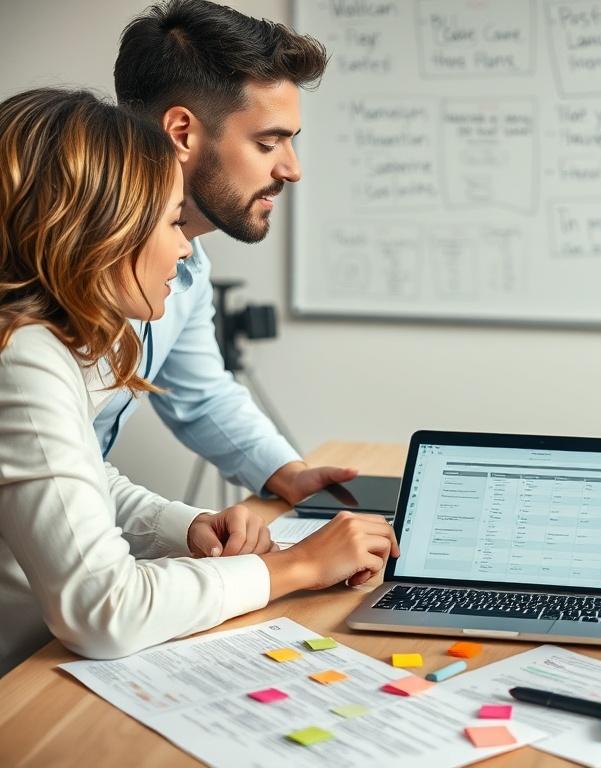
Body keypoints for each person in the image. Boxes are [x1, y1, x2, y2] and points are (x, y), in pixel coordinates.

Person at [0, 89, 398, 675]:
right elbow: (103, 610)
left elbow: (79, 473)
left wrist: (186, 527)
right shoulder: (24, 356)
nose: (183, 248)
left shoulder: (48, 338)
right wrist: (298, 567)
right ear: (99, 232)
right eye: (169, 221)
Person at [95, 0, 354, 505]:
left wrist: (286, 473)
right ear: (182, 133)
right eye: (268, 143)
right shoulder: (50, 279)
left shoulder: (187, 262)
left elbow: (202, 393)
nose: (292, 170)